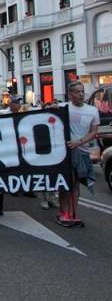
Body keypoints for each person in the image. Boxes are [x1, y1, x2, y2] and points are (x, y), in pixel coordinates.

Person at [57, 81, 99, 227]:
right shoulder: (63, 108)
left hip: (82, 152)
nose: (81, 94)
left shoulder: (92, 110)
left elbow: (94, 132)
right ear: (70, 94)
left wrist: (79, 142)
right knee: (65, 183)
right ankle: (63, 213)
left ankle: (73, 213)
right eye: (77, 92)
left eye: (82, 91)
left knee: (76, 184)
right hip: (65, 153)